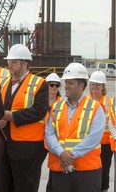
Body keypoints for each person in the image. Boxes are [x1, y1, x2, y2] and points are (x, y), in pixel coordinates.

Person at [45, 62, 106, 192]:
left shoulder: (95, 108)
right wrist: (61, 153)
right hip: (59, 169)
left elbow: (94, 137)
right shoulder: (57, 107)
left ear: (81, 85)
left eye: (70, 83)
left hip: (87, 171)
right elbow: (49, 133)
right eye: (66, 82)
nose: (66, 86)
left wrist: (70, 156)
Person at [0, 44, 49, 192]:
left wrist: (12, 116)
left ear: (25, 64)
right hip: (5, 146)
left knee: (25, 187)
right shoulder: (4, 83)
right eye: (9, 62)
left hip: (28, 149)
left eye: (13, 62)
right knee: (4, 187)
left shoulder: (40, 84)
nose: (10, 65)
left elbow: (39, 111)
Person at [88, 71, 113, 192]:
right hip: (90, 143)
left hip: (105, 144)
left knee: (104, 170)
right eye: (92, 84)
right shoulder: (85, 102)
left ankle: (104, 189)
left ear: (103, 86)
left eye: (97, 84)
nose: (94, 87)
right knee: (91, 170)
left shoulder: (109, 103)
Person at [45, 72, 62, 192]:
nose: (55, 88)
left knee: (54, 168)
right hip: (38, 138)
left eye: (57, 85)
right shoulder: (39, 101)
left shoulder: (62, 103)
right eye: (52, 85)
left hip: (52, 140)